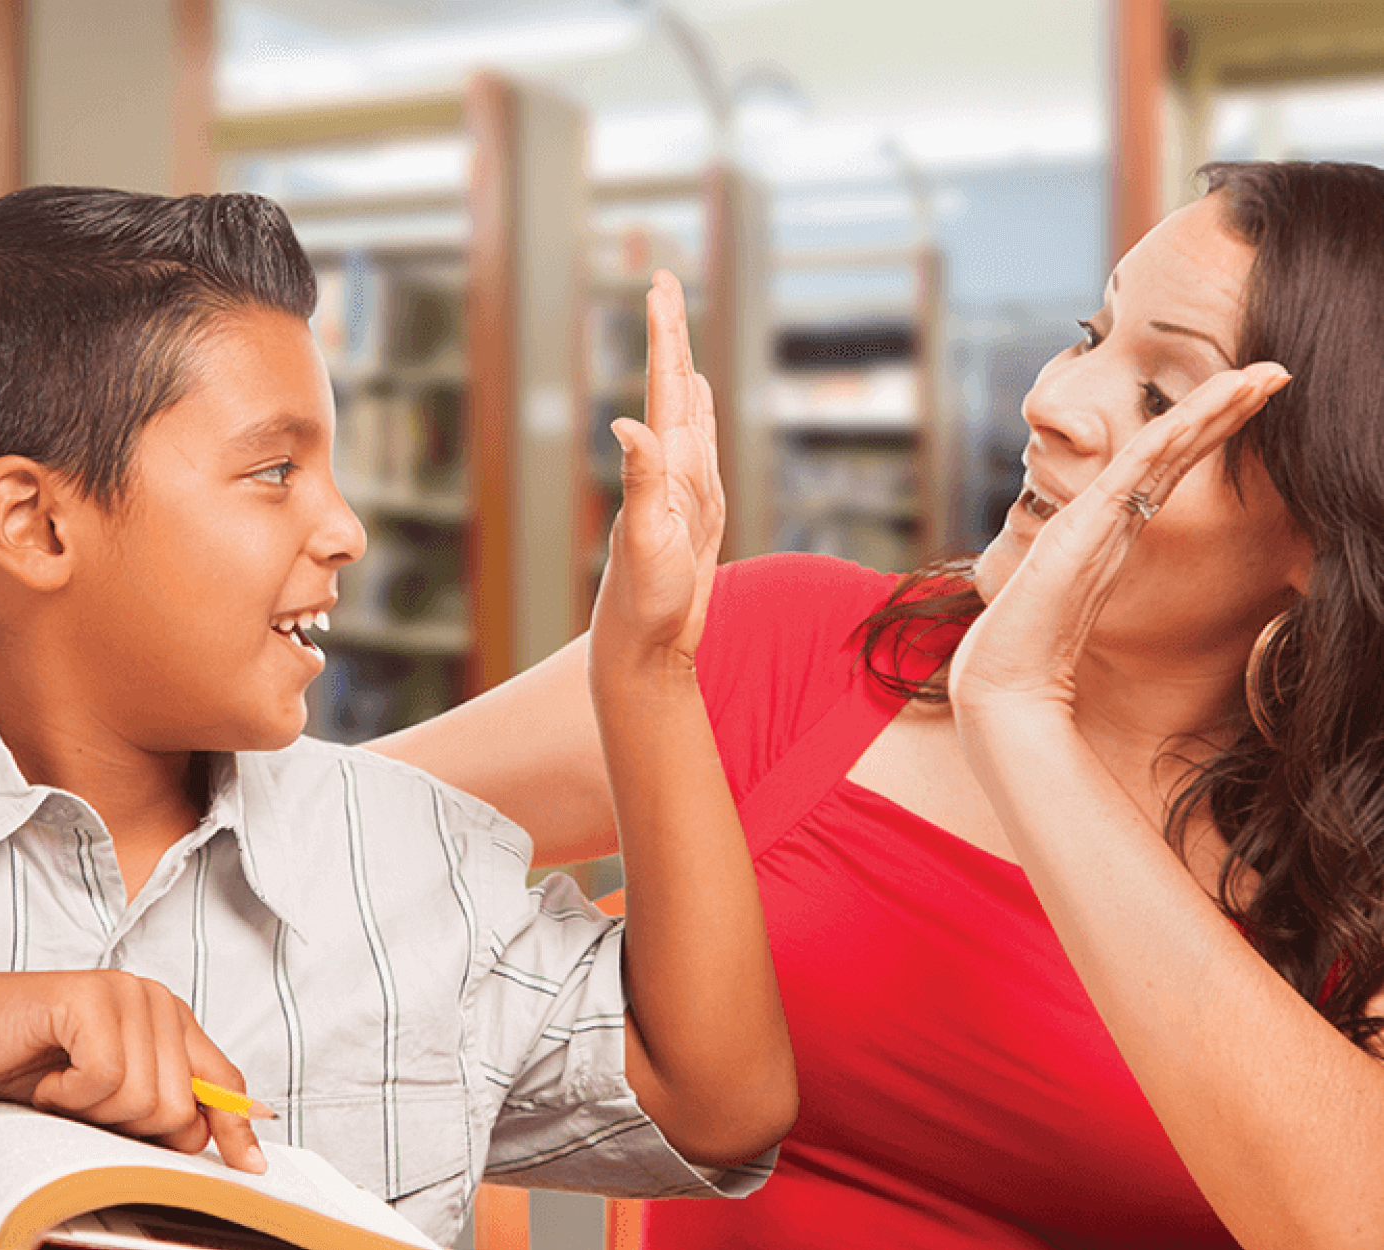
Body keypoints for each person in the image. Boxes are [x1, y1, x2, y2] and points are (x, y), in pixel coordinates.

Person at [319, 160, 1384, 1249]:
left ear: (1317, 527)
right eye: (1087, 331)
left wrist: (1017, 710)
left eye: (1160, 397)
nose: (1048, 400)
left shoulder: (1360, 858)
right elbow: (283, 840)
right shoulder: (782, 648)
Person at [0, 186, 794, 1247]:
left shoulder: (413, 859)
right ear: (36, 525)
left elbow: (715, 1100)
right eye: (274, 471)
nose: (345, 529)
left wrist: (647, 666)